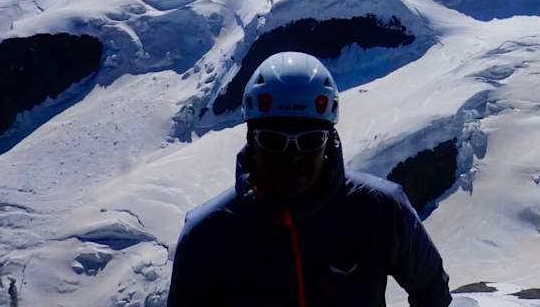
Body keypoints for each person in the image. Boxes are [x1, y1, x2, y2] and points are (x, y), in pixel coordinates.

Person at [167, 52, 452, 306]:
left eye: (310, 140)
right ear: (251, 140)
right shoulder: (207, 235)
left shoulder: (381, 209)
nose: (292, 156)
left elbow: (431, 289)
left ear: (329, 143)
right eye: (272, 140)